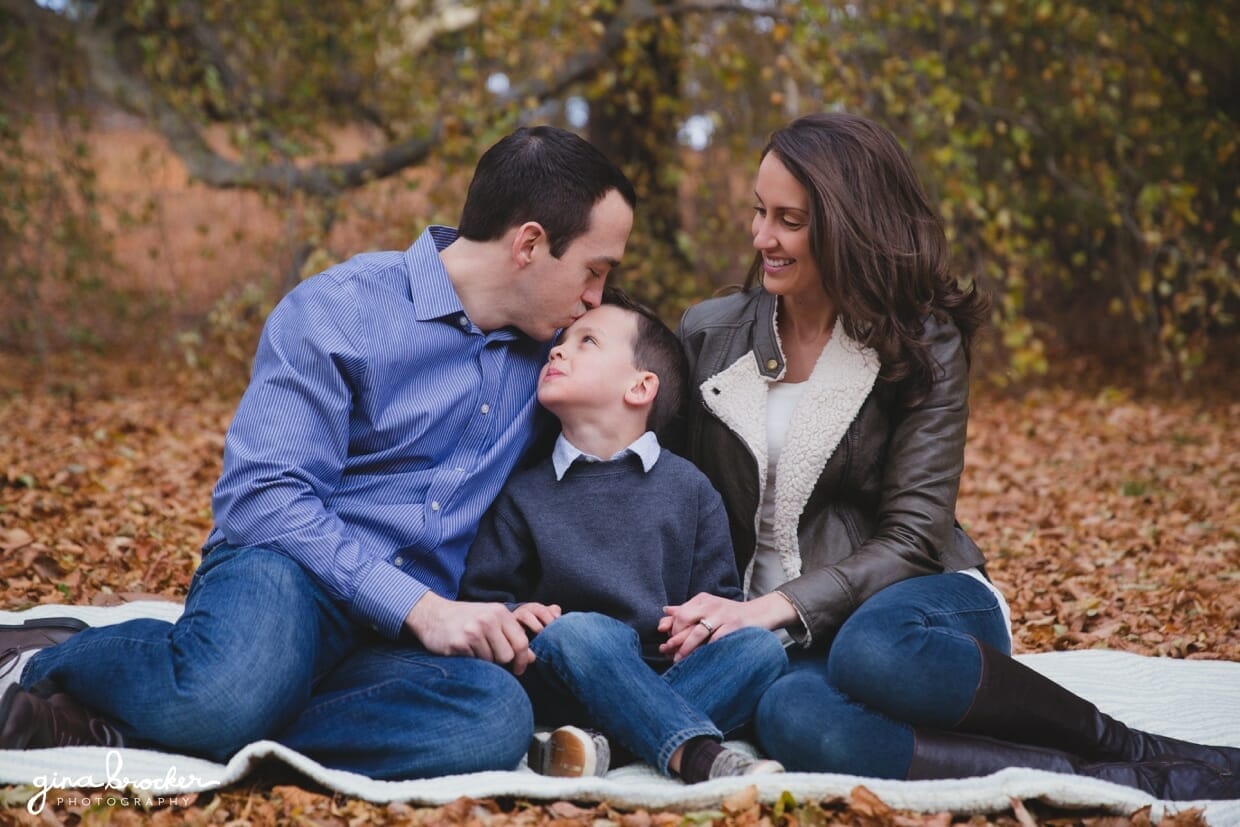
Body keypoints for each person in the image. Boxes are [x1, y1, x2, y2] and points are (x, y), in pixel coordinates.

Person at [0, 126, 637, 780]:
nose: (595, 297)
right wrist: (421, 607)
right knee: (229, 691)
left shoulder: (552, 362)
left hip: (392, 638)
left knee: (493, 716)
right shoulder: (341, 308)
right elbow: (264, 498)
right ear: (529, 243)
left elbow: (630, 406)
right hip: (287, 574)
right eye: (595, 270)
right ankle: (47, 659)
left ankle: (201, 720)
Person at [659, 112, 1240, 800]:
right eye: (759, 212)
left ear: (849, 223)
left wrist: (779, 603)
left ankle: (1129, 745)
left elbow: (911, 537)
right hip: (785, 633)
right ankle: (1090, 777)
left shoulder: (921, 339)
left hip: (918, 602)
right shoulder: (708, 335)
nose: (762, 238)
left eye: (790, 219)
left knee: (871, 652)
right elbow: (668, 493)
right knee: (790, 715)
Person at [459, 289, 787, 783]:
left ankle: (603, 747)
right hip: (564, 669)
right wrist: (514, 616)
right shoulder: (524, 491)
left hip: (665, 673)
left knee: (761, 650)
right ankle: (697, 756)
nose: (558, 350)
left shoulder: (690, 490)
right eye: (561, 341)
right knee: (584, 630)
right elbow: (484, 599)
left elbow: (716, 604)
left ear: (640, 387)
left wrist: (698, 628)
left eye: (586, 341)